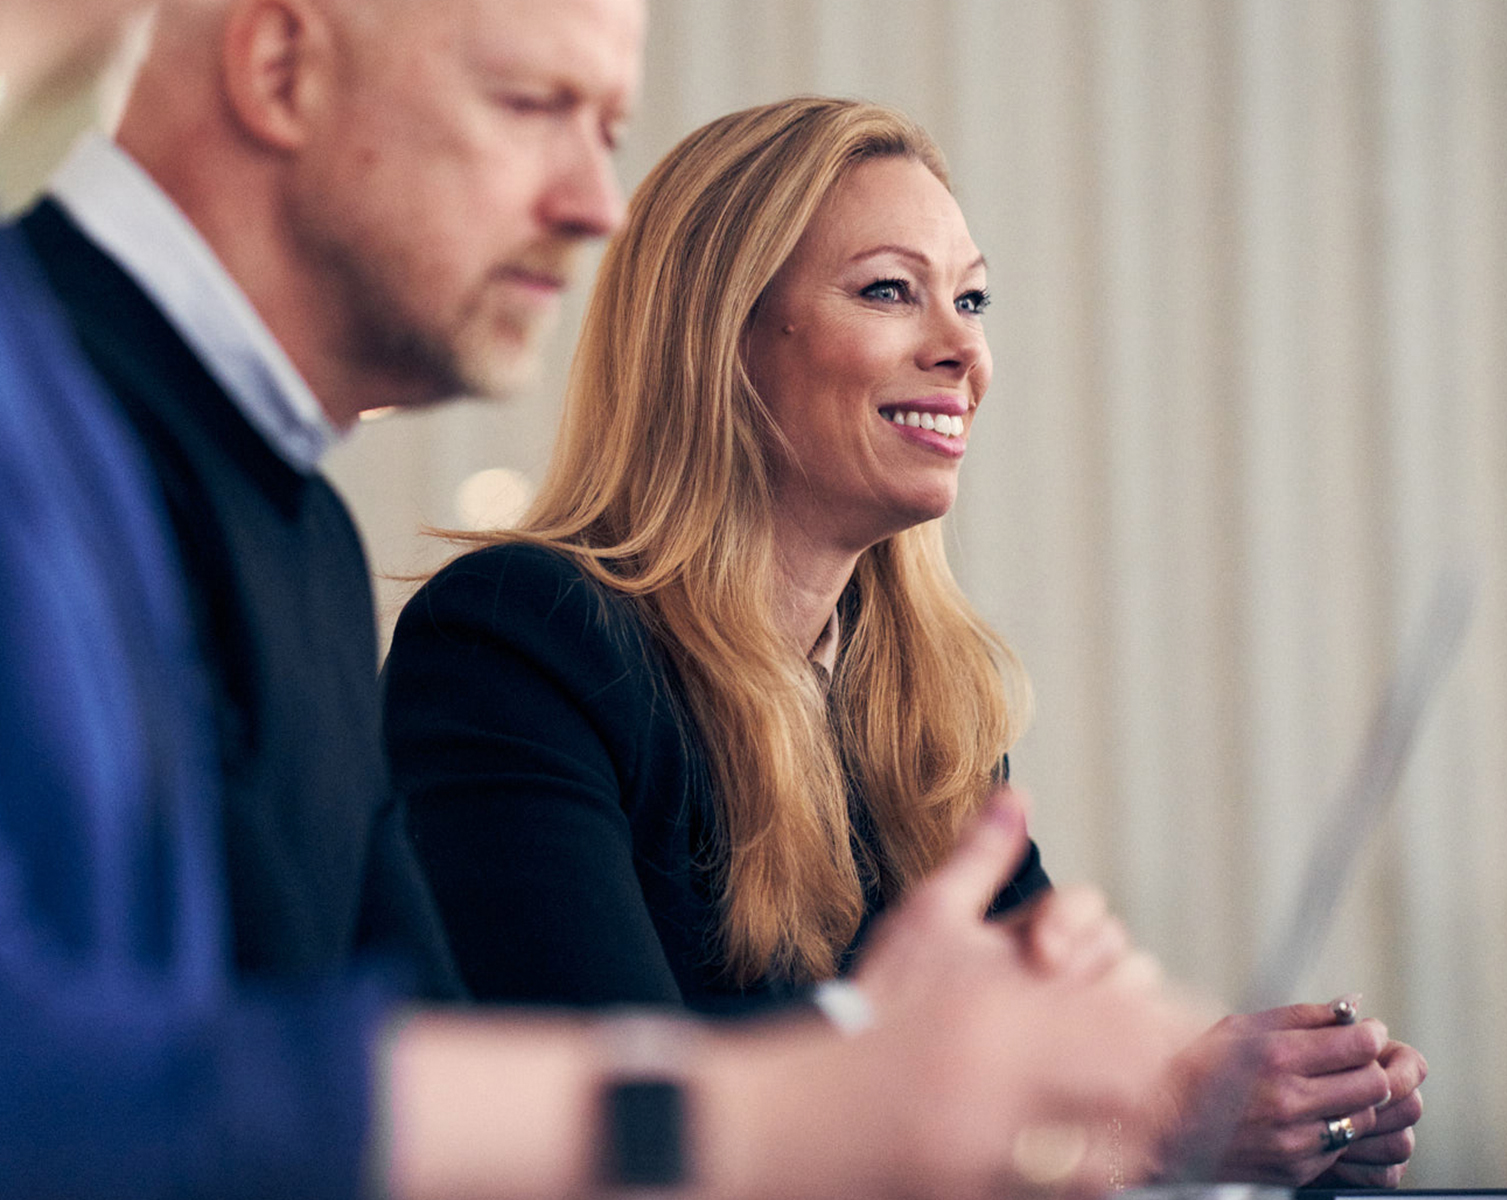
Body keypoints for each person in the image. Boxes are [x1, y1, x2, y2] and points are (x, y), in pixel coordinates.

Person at [1, 0, 1203, 1194]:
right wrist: (808, 1086)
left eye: (607, 129)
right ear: (279, 67)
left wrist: (1151, 1088)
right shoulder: (508, 628)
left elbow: (408, 1057)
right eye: (533, 106)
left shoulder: (305, 534)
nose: (594, 208)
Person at [383, 95, 1425, 1187]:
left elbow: (1039, 1073)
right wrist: (1129, 1126)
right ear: (722, 338)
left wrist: (1243, 1100)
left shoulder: (922, 711)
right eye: (891, 290)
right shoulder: (517, 642)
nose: (962, 347)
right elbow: (621, 1130)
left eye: (972, 298)